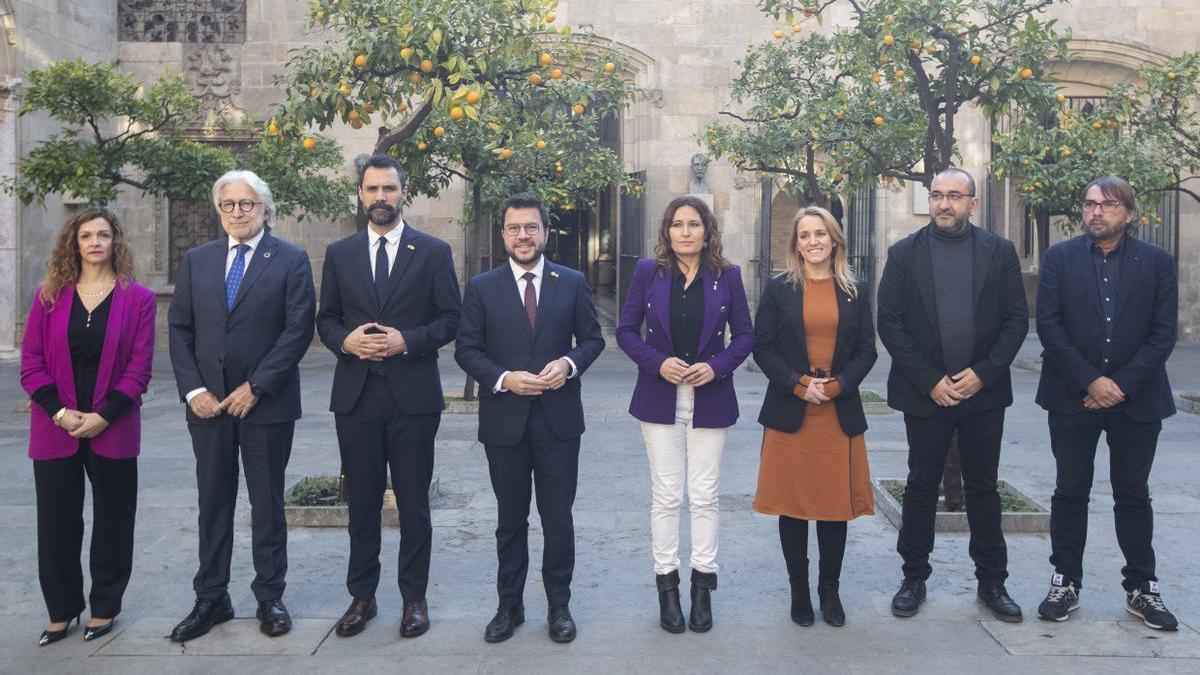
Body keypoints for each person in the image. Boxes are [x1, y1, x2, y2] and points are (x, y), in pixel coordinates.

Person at [316, 154, 461, 638]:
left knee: (414, 503)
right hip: (355, 397)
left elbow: (450, 319)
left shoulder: (434, 252)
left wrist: (408, 340)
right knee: (362, 502)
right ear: (360, 194)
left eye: (390, 189)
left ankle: (414, 598)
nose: (381, 197)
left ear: (404, 193)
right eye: (373, 189)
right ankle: (363, 597)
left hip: (413, 396)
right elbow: (326, 319)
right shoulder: (340, 254)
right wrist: (344, 341)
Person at [167, 170, 316, 641]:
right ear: (219, 210)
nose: (237, 212)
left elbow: (298, 329)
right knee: (212, 502)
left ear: (265, 209)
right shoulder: (198, 260)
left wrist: (258, 386)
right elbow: (180, 328)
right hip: (208, 407)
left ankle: (269, 596)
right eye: (228, 204)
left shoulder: (291, 260)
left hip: (265, 404)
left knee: (267, 504)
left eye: (246, 204)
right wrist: (194, 391)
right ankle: (212, 597)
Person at [876, 167, 1027, 622]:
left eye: (955, 196)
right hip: (927, 395)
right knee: (921, 486)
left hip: (984, 393)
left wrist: (982, 374)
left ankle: (992, 582)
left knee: (983, 488)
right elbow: (890, 323)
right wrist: (929, 380)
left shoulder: (999, 252)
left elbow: (1016, 320)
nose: (944, 204)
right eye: (937, 195)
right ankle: (913, 578)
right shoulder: (904, 254)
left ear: (972, 204)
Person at [455, 193, 605, 644]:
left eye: (531, 227)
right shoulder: (482, 287)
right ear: (503, 234)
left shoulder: (572, 281)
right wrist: (504, 378)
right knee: (510, 519)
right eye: (515, 228)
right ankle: (510, 605)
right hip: (505, 423)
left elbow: (593, 340)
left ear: (545, 232)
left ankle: (559, 606)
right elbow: (466, 350)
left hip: (559, 422)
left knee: (558, 518)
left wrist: (569, 364)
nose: (523, 236)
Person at [1034, 176, 1179, 630]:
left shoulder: (1158, 263)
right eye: (1090, 203)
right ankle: (1065, 581)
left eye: (1108, 205)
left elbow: (1162, 335)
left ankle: (1142, 587)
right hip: (1071, 397)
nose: (1096, 212)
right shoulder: (1059, 259)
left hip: (1137, 401)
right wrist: (1091, 381)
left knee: (1133, 494)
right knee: (1069, 491)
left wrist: (1118, 386)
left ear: (1130, 214)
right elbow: (1049, 326)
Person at [615, 195, 752, 634]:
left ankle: (702, 589)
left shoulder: (727, 276)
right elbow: (624, 331)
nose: (686, 231)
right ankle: (667, 588)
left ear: (707, 230)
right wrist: (658, 362)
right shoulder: (647, 272)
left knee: (705, 495)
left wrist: (716, 367)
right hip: (660, 397)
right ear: (667, 231)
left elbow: (746, 336)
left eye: (694, 224)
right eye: (678, 224)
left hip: (710, 396)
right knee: (668, 495)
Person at [20, 207, 155, 645]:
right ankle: (61, 611)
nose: (95, 242)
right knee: (56, 521)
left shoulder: (138, 299)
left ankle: (104, 608)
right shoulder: (48, 297)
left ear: (116, 242)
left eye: (103, 235)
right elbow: (31, 365)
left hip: (112, 426)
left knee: (115, 520)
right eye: (85, 236)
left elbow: (139, 368)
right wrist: (59, 412)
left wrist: (104, 416)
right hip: (54, 427)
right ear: (73, 244)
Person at [751, 206, 877, 628]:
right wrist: (799, 384)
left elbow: (867, 350)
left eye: (820, 233)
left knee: (833, 507)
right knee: (793, 504)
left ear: (834, 239)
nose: (813, 242)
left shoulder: (855, 289)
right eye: (804, 235)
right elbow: (762, 348)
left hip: (837, 411)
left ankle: (830, 590)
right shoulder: (779, 288)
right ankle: (799, 591)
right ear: (796, 244)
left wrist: (838, 385)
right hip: (793, 409)